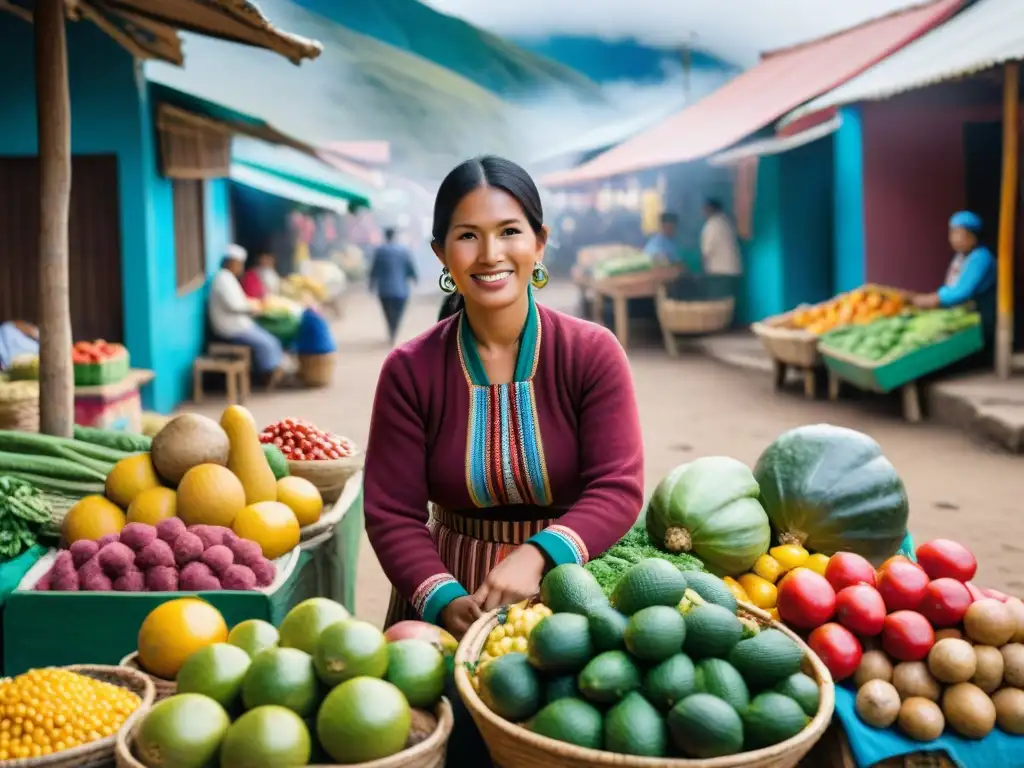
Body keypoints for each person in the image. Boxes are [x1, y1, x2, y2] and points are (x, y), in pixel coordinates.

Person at [364, 156, 645, 641]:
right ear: (441, 254)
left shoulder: (591, 353)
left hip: (574, 589)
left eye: (510, 232)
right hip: (448, 594)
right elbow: (391, 513)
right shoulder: (409, 371)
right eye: (468, 235)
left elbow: (617, 487)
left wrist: (538, 554)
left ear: (539, 243)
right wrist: (443, 599)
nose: (491, 253)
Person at [911, 211, 997, 338]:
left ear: (973, 237)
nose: (953, 239)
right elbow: (951, 285)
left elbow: (961, 292)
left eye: (959, 234)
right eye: (952, 233)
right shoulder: (961, 256)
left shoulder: (982, 257)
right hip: (963, 314)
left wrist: (933, 299)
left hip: (981, 317)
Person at [208, 245, 285, 384]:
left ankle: (273, 369)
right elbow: (235, 305)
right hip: (230, 328)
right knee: (266, 343)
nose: (241, 267)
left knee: (271, 339)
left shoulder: (228, 278)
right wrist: (254, 307)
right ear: (232, 262)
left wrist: (256, 303)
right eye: (239, 264)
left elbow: (241, 299)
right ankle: (267, 374)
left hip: (239, 323)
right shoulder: (222, 279)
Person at [368, 228, 418, 345]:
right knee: (398, 312)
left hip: (384, 290)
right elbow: (410, 268)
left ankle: (391, 330)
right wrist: (415, 278)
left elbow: (374, 270)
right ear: (394, 237)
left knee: (388, 312)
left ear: (386, 236)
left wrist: (371, 284)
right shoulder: (404, 251)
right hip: (401, 290)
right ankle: (394, 330)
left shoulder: (380, 251)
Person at [700, 198, 743, 285]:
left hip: (719, 273)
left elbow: (706, 253)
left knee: (721, 298)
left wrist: (704, 274)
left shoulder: (711, 225)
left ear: (709, 209)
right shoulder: (728, 223)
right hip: (734, 271)